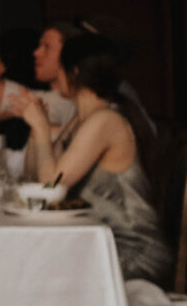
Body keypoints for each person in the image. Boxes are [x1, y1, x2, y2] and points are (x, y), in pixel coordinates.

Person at [16, 27, 172, 281]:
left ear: (73, 72)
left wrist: (42, 129)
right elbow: (34, 178)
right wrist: (37, 130)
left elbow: (50, 187)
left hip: (132, 251)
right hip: (99, 244)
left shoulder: (106, 121)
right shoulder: (81, 119)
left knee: (38, 272)